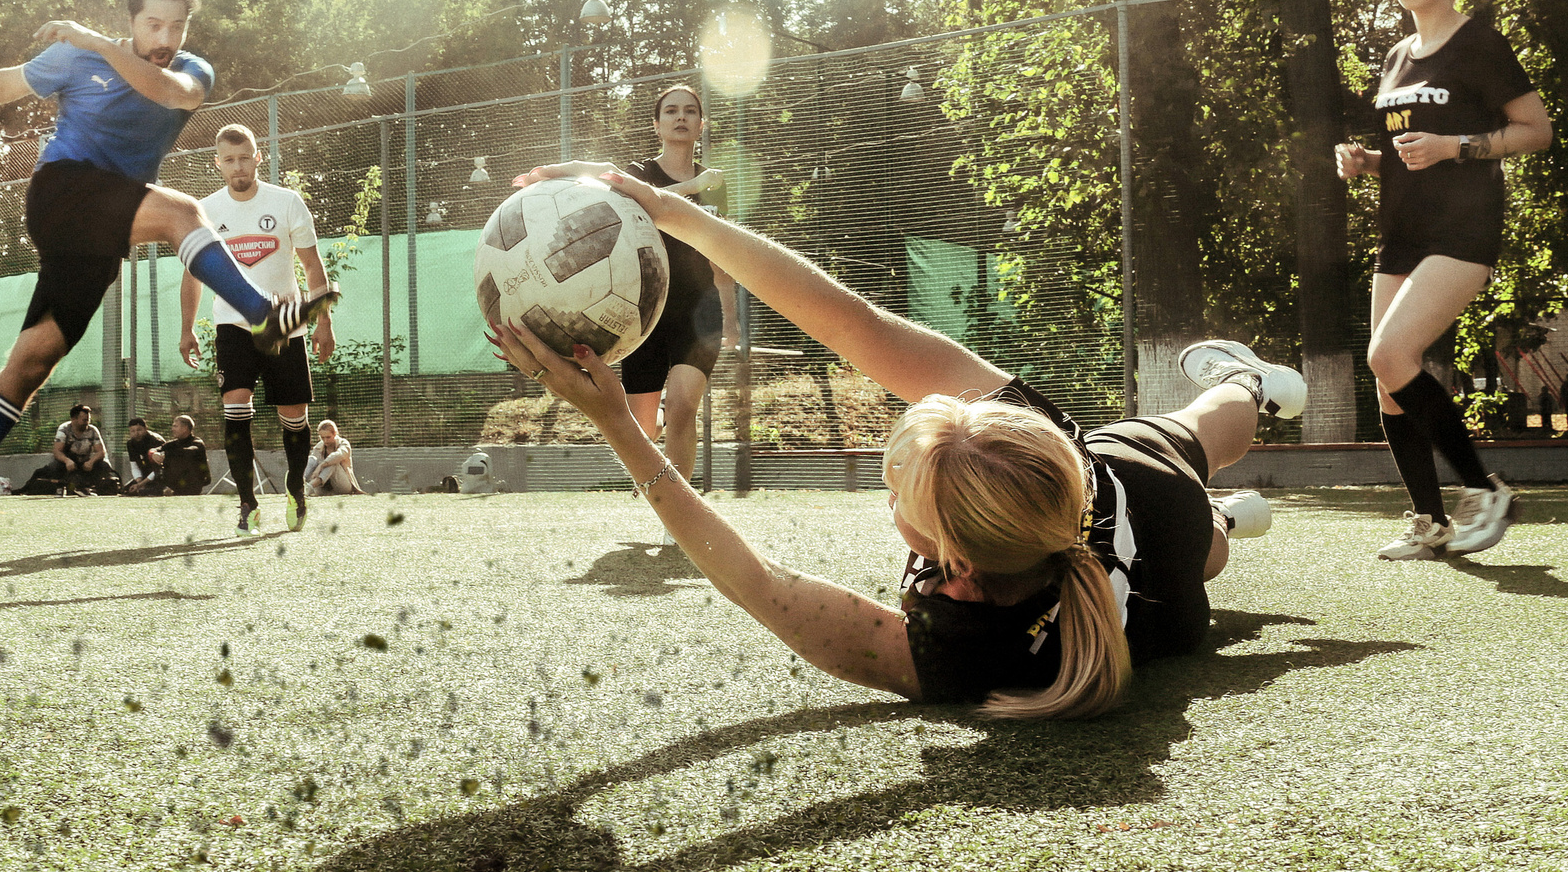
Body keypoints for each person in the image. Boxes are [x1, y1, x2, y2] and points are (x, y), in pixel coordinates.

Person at [493, 162, 1304, 718]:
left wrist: (614, 425)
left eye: (900, 486)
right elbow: (858, 325)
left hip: (1163, 601)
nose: (891, 487)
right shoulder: (1036, 443)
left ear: (952, 554)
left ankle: (1232, 485)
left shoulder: (968, 651)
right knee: (1200, 436)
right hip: (1144, 497)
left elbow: (758, 583)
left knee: (1207, 538)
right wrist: (681, 214)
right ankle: (1251, 390)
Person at [0, 0, 336, 546]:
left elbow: (173, 94)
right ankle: (261, 314)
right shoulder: (76, 55)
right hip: (62, 191)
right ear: (132, 19)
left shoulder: (190, 70)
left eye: (178, 26)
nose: (167, 36)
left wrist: (98, 43)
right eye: (154, 24)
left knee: (33, 359)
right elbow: (6, 83)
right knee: (183, 214)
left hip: (104, 227)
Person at [1337, 0, 1554, 561]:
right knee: (1387, 378)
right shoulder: (1396, 56)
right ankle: (1429, 521)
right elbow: (1405, 153)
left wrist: (1453, 145)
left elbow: (1537, 130)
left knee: (1388, 354)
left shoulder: (1480, 43)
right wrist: (1366, 162)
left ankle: (1487, 490)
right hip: (1399, 232)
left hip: (1462, 230)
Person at [176, 124, 336, 533]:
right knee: (235, 406)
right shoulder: (205, 210)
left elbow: (312, 266)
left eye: (245, 157)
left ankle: (295, 491)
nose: (238, 166)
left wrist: (323, 323)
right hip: (233, 326)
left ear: (258, 157)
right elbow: (193, 275)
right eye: (229, 160)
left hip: (285, 328)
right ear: (218, 164)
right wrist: (187, 328)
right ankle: (247, 503)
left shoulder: (286, 202)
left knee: (294, 416)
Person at [618, 85, 738, 483]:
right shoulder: (638, 174)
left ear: (701, 125)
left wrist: (732, 318)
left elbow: (722, 252)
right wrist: (689, 190)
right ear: (657, 124)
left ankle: (679, 514)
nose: (681, 117)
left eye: (690, 111)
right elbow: (641, 208)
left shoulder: (714, 183)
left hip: (698, 311)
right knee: (643, 428)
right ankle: (656, 492)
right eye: (671, 111)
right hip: (645, 310)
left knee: (683, 408)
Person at [39, 404, 113, 494]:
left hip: (85, 463)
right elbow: (57, 451)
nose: (87, 423)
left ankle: (98, 488)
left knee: (104, 465)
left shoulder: (92, 430)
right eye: (84, 420)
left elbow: (101, 451)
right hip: (68, 463)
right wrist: (67, 461)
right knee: (54, 466)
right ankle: (59, 487)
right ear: (74, 419)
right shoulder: (64, 429)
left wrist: (91, 462)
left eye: (88, 420)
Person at [303, 418, 363, 496]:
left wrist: (322, 465)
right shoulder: (318, 447)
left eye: (328, 437)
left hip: (342, 486)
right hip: (322, 488)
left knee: (333, 462)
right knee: (311, 459)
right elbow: (312, 465)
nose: (325, 441)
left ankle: (309, 487)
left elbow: (339, 455)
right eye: (322, 437)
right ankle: (298, 486)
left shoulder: (343, 443)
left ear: (335, 434)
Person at [156, 414, 211, 496]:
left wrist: (166, 454)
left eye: (175, 426)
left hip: (192, 484)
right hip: (175, 484)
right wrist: (154, 454)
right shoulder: (172, 444)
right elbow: (156, 449)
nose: (172, 429)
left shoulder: (197, 443)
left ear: (185, 428)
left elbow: (188, 452)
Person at [121, 416, 160, 491]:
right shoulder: (130, 444)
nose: (136, 433)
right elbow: (134, 465)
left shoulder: (155, 441)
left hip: (159, 476)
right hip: (144, 477)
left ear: (146, 429)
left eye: (139, 430)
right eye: (133, 431)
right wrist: (139, 481)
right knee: (126, 490)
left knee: (149, 491)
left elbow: (158, 469)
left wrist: (141, 484)